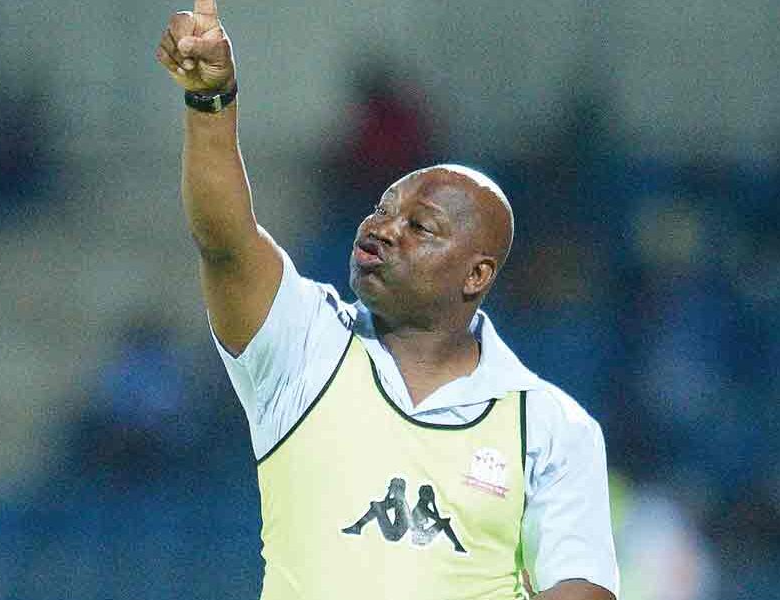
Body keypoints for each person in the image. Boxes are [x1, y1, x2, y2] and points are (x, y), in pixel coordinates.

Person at [155, 2, 619, 599]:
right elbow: (226, 242)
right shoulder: (305, 345)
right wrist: (209, 101)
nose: (381, 229)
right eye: (381, 209)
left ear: (476, 274)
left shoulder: (550, 427)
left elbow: (581, 589)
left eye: (419, 227)